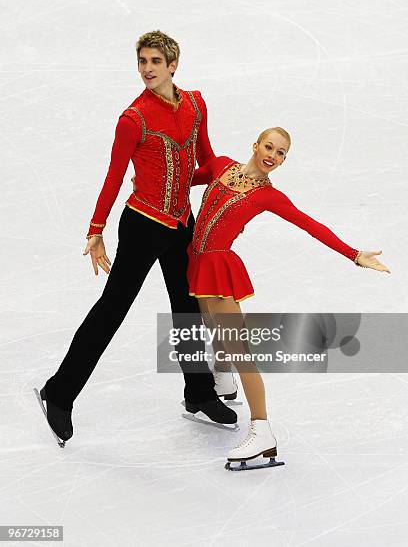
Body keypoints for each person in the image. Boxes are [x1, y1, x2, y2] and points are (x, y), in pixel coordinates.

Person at [36, 30, 237, 447]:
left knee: (187, 308)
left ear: (173, 65)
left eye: (155, 62)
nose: (147, 69)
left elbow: (204, 159)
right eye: (142, 62)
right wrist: (96, 230)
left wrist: (231, 172)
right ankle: (58, 393)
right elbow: (113, 177)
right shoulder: (134, 119)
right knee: (112, 309)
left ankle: (198, 393)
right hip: (143, 224)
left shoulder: (196, 104)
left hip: (183, 221)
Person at [186, 127, 390, 468]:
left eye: (281, 153)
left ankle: (262, 430)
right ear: (255, 145)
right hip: (196, 258)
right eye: (269, 147)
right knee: (212, 325)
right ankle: (222, 376)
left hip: (219, 266)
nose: (273, 156)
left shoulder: (268, 196)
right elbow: (186, 181)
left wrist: (354, 254)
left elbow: (309, 224)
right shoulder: (221, 166)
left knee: (238, 347)